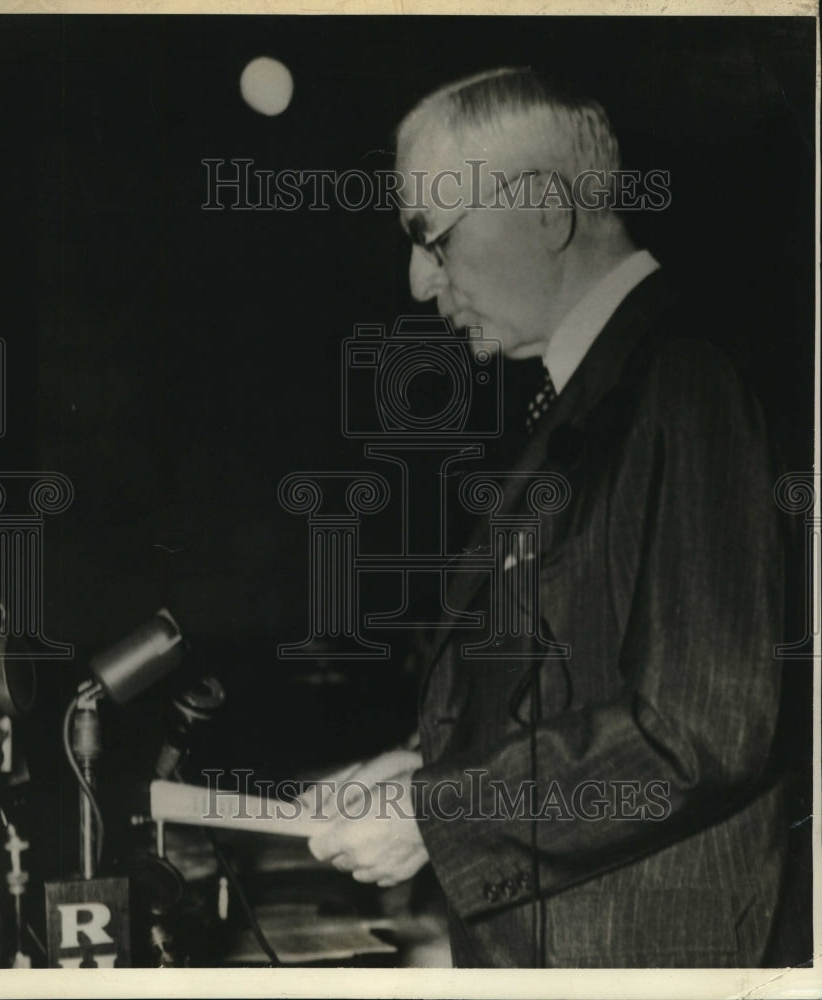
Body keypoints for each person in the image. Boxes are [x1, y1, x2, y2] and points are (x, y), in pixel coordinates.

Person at [305, 67, 789, 968]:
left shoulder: (689, 382)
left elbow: (700, 730)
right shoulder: (596, 396)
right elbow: (574, 682)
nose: (417, 281)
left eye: (433, 236)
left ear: (545, 215)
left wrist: (437, 814)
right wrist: (427, 766)